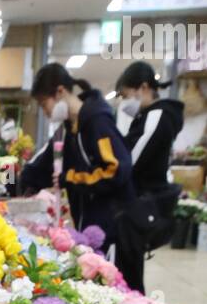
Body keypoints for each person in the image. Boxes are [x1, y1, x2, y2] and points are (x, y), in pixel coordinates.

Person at [17, 63, 135, 254]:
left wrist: (70, 178)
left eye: (43, 104)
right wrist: (10, 182)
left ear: (60, 91)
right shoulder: (68, 129)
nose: (45, 113)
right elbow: (40, 167)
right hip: (90, 225)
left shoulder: (97, 122)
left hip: (115, 227)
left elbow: (116, 169)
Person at [113, 61, 185, 292]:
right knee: (128, 270)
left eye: (126, 95)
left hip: (140, 205)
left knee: (129, 276)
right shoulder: (149, 116)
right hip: (139, 203)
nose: (125, 103)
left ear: (143, 87)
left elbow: (129, 160)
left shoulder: (158, 116)